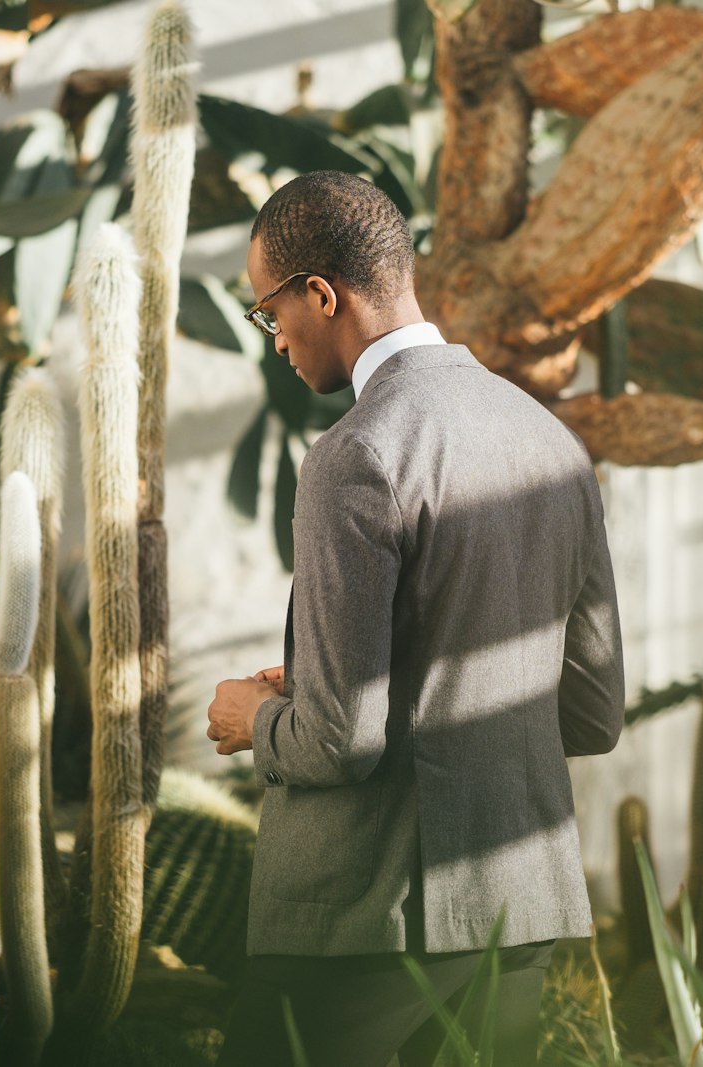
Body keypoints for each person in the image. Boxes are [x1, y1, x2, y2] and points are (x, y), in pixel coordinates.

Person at [205, 170, 626, 1067]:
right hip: (518, 905)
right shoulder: (554, 442)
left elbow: (338, 742)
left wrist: (255, 717)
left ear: (320, 294)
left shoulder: (356, 454)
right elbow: (591, 712)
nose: (273, 338)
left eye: (268, 312)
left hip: (363, 918)